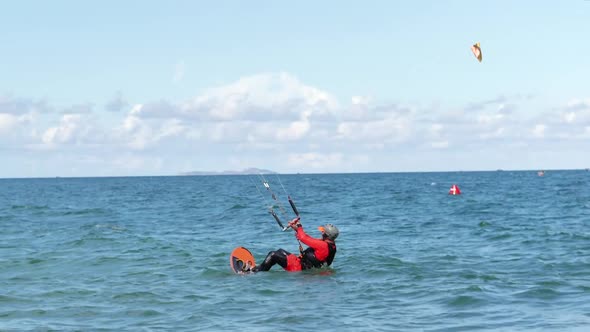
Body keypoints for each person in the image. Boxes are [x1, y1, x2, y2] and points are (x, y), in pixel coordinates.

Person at [250, 217, 338, 272]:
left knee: (273, 255)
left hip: (298, 268)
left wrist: (299, 226)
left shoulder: (323, 246)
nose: (321, 233)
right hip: (301, 264)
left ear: (326, 235)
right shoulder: (331, 245)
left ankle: (254, 272)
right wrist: (297, 229)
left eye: (322, 232)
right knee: (280, 251)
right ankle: (262, 267)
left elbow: (304, 238)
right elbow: (310, 239)